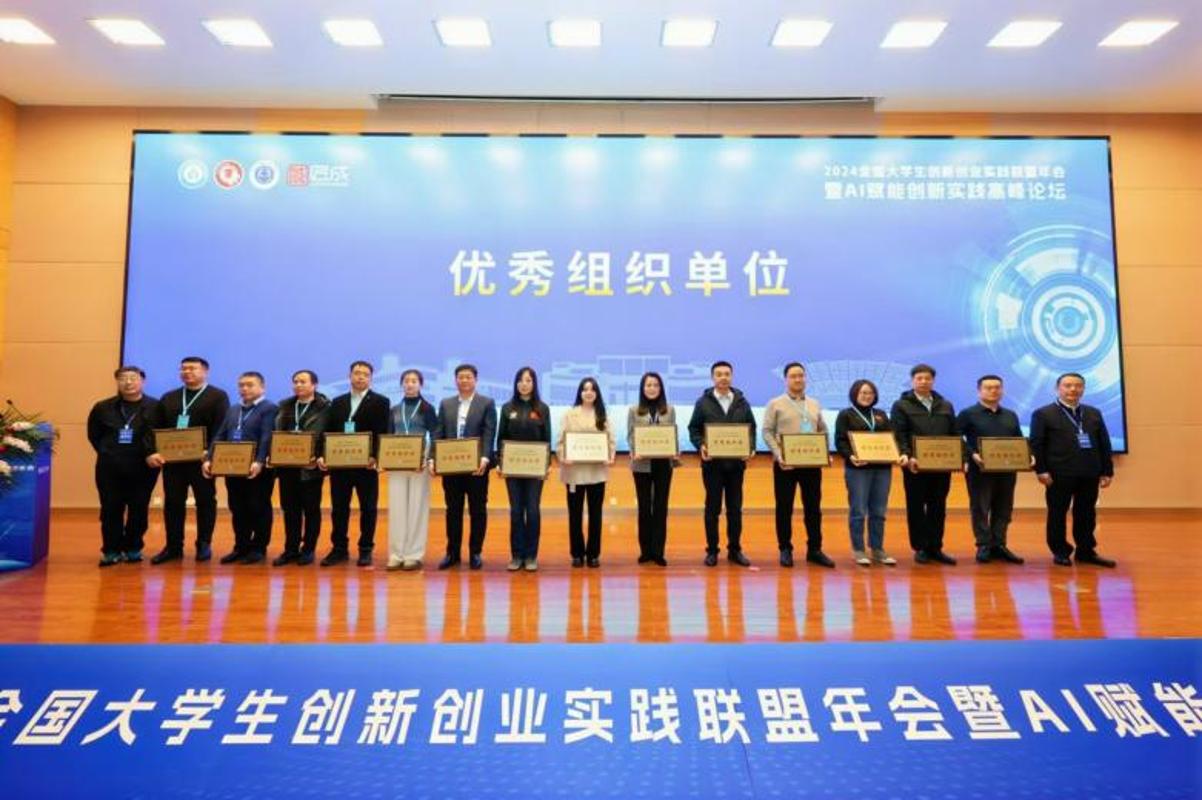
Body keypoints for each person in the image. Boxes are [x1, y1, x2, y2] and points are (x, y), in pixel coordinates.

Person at [144, 356, 230, 565]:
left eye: (192, 368)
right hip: (173, 461)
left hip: (202, 462)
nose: (187, 372)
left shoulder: (218, 396)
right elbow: (156, 427)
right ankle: (173, 546)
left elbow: (221, 428)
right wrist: (153, 451)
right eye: (183, 369)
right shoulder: (169, 397)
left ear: (205, 371)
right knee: (173, 502)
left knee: (205, 501)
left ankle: (203, 544)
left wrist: (210, 453)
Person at [1029, 372, 1116, 568]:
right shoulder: (1043, 413)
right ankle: (1060, 551)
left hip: (1089, 472)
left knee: (1086, 513)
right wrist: (1041, 470)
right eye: (1067, 385)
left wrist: (1107, 471)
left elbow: (1104, 443)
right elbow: (1037, 444)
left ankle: (1086, 551)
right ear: (1057, 388)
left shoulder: (1093, 413)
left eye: (1078, 385)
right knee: (1057, 513)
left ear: (1083, 388)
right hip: (1058, 474)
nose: (1073, 389)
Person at [762, 362, 835, 568]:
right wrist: (778, 454)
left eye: (801, 375)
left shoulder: (814, 403)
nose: (798, 379)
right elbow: (767, 432)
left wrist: (824, 453)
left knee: (813, 508)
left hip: (811, 465)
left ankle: (815, 549)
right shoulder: (775, 404)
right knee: (784, 508)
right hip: (785, 465)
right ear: (786, 379)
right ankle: (785, 549)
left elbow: (822, 430)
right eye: (793, 376)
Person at [86, 366, 160, 566]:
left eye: (133, 378)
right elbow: (94, 435)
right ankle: (111, 550)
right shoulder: (102, 407)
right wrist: (108, 452)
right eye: (123, 378)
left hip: (143, 468)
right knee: (110, 509)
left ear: (142, 381)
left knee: (138, 509)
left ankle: (133, 548)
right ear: (117, 382)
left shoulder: (155, 407)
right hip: (110, 467)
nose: (128, 382)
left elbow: (160, 435)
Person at [318, 360, 390, 567]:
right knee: (339, 509)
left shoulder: (381, 402)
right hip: (340, 466)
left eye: (365, 374)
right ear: (349, 376)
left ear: (371, 378)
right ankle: (339, 549)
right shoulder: (337, 402)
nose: (360, 377)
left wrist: (375, 456)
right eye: (357, 373)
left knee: (368, 508)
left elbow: (382, 431)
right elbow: (328, 431)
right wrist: (323, 454)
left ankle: (365, 549)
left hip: (366, 466)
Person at [687, 360, 756, 567]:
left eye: (727, 374)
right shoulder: (703, 403)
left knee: (735, 510)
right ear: (713, 378)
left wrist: (751, 447)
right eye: (719, 374)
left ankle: (735, 550)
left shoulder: (742, 402)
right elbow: (693, 429)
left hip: (736, 467)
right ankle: (712, 551)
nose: (723, 377)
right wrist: (701, 445)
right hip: (712, 466)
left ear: (731, 376)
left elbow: (751, 428)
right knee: (712, 509)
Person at [890, 363, 961, 565]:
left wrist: (961, 458)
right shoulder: (901, 405)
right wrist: (907, 455)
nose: (923, 382)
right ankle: (920, 547)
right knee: (916, 507)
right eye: (919, 378)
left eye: (927, 378)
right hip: (915, 465)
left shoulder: (945, 405)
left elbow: (954, 434)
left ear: (933, 381)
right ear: (912, 381)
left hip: (942, 465)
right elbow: (899, 434)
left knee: (938, 506)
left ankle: (936, 547)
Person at [204, 371, 278, 564]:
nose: (244, 388)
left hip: (257, 469)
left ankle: (258, 548)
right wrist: (210, 458)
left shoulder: (269, 408)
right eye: (241, 385)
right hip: (232, 467)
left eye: (250, 385)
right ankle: (241, 546)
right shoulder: (233, 409)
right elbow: (220, 435)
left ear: (262, 387)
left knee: (258, 507)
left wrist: (259, 461)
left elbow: (267, 437)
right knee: (237, 508)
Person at [432, 363, 497, 570]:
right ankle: (452, 553)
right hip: (451, 467)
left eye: (468, 377)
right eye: (460, 377)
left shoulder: (486, 403)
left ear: (475, 380)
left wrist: (485, 458)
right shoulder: (446, 404)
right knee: (453, 510)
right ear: (456, 380)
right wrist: (434, 458)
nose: (464, 380)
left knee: (478, 510)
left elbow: (489, 432)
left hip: (477, 467)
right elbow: (438, 433)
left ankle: (475, 552)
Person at [957, 374, 1027, 564]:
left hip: (1007, 469)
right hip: (979, 470)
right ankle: (984, 545)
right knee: (980, 508)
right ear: (979, 391)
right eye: (988, 388)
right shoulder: (968, 414)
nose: (993, 391)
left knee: (1004, 508)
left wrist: (1028, 455)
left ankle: (999, 544)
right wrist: (972, 454)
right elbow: (956, 437)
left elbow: (1019, 440)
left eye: (997, 387)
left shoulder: (1010, 415)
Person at [834, 379, 903, 566]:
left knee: (879, 511)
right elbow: (840, 441)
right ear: (855, 394)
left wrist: (896, 454)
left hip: (882, 468)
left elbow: (892, 438)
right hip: (858, 469)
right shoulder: (846, 415)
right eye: (863, 393)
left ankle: (877, 549)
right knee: (858, 510)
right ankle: (858, 549)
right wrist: (850, 456)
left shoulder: (880, 415)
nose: (867, 396)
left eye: (870, 393)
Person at [271, 369, 329, 566]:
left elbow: (328, 436)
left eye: (303, 381)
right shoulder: (284, 406)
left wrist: (319, 455)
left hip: (310, 469)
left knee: (311, 510)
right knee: (290, 510)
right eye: (295, 381)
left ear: (314, 385)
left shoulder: (325, 407)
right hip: (287, 467)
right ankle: (291, 549)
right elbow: (276, 433)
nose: (298, 385)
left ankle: (309, 549)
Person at [557, 377, 616, 568]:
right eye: (585, 389)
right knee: (574, 514)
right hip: (573, 472)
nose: (588, 393)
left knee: (595, 514)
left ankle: (593, 554)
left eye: (592, 389)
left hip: (596, 472)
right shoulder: (569, 414)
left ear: (597, 393)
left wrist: (610, 456)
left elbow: (611, 441)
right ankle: (576, 553)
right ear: (580, 393)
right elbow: (560, 441)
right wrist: (563, 456)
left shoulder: (603, 415)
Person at [497, 367, 552, 572]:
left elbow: (547, 439)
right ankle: (517, 555)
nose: (524, 384)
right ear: (516, 383)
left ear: (534, 383)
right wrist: (500, 462)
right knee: (516, 511)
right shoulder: (507, 408)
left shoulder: (542, 409)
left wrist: (547, 465)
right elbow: (501, 438)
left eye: (528, 380)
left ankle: (531, 556)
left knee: (533, 510)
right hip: (512, 469)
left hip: (535, 469)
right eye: (520, 380)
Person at [386, 369, 438, 571]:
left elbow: (435, 435)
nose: (410, 384)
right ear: (402, 384)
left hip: (420, 460)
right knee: (397, 506)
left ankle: (413, 554)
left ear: (420, 385)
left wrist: (430, 458)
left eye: (414, 381)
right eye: (406, 381)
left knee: (417, 505)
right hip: (397, 458)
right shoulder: (394, 409)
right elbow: (388, 435)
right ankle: (396, 554)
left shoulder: (427, 408)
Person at [627, 372, 677, 567]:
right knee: (644, 507)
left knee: (661, 507)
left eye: (656, 385)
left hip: (663, 464)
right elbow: (631, 435)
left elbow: (672, 433)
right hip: (641, 464)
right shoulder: (634, 410)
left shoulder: (669, 410)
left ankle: (658, 552)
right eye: (648, 385)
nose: (652, 388)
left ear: (661, 388)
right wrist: (635, 450)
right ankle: (645, 551)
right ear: (642, 388)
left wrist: (674, 450)